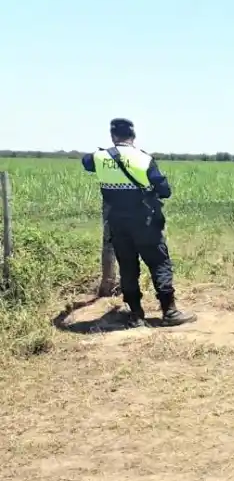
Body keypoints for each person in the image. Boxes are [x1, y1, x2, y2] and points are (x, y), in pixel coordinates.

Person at [81, 118, 196, 328]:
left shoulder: (99, 157)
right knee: (159, 263)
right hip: (146, 222)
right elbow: (165, 191)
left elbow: (86, 162)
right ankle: (169, 311)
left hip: (117, 222)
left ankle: (136, 315)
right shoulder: (144, 159)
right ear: (133, 136)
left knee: (127, 267)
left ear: (112, 136)